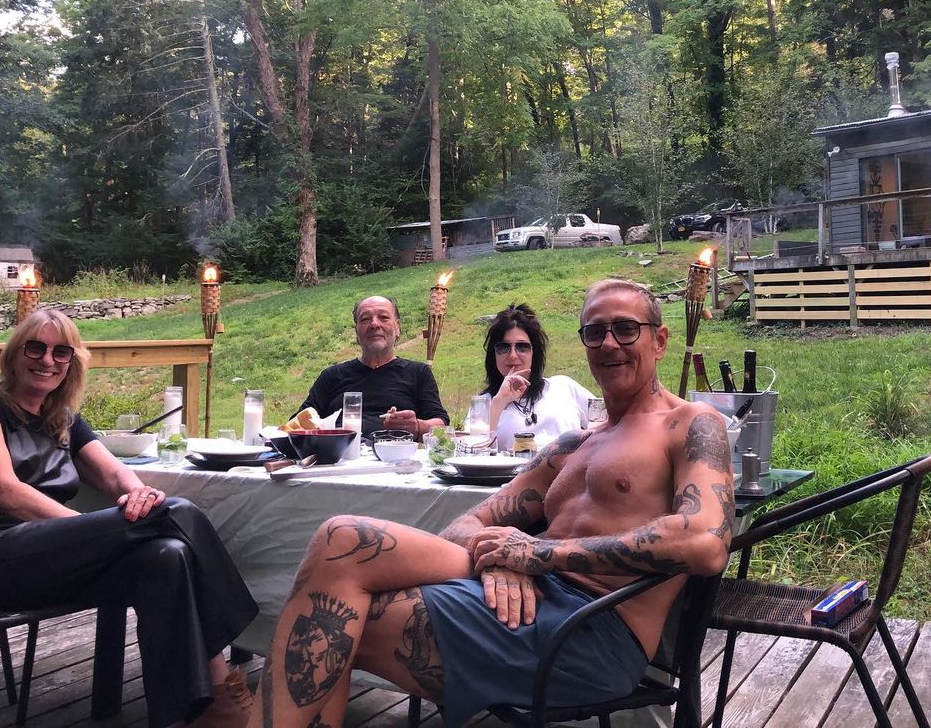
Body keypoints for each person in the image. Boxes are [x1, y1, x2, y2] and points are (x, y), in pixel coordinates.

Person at [249, 279, 733, 728]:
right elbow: (470, 522)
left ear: (659, 340)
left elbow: (706, 542)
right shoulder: (573, 445)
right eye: (594, 332)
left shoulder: (691, 423)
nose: (609, 344)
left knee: (328, 621)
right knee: (340, 546)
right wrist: (500, 562)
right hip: (527, 604)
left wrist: (540, 555)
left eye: (625, 329)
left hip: (591, 631)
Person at [0, 309, 258, 728]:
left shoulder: (61, 419)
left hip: (52, 559)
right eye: (36, 347)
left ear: (71, 363)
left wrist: (138, 492)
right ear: (13, 354)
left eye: (61, 352)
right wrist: (82, 529)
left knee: (166, 554)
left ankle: (186, 714)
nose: (47, 360)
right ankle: (232, 664)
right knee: (177, 511)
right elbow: (3, 491)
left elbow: (114, 474)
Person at [297, 295, 449, 439]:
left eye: (383, 317)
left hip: (395, 454)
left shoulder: (418, 373)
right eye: (365, 319)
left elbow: (441, 425)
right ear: (356, 331)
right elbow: (298, 424)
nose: (374, 324)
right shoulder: (332, 376)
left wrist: (417, 427)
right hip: (340, 454)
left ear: (397, 327)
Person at [475, 303, 595, 449]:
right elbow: (473, 453)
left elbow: (607, 424)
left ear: (534, 352)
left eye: (522, 347)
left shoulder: (564, 387)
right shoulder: (482, 405)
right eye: (503, 347)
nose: (513, 355)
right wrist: (498, 403)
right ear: (493, 355)